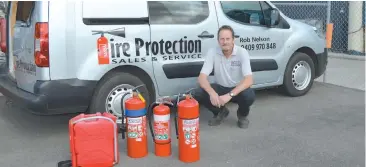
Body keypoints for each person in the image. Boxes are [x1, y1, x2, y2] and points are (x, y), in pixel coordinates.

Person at [193, 25, 255, 129]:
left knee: (249, 95)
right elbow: (201, 78)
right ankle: (220, 112)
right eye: (222, 39)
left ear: (233, 39)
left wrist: (229, 95)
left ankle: (242, 115)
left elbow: (249, 80)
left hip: (237, 89)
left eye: (228, 39)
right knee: (199, 93)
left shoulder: (242, 52)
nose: (225, 42)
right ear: (218, 41)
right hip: (221, 87)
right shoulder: (212, 52)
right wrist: (212, 93)